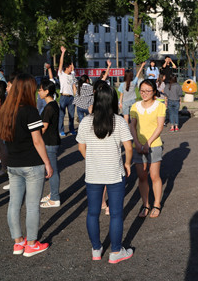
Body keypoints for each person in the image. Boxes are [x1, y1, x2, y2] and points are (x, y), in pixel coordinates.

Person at [77, 81, 134, 263]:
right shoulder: (119, 121)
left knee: (92, 213)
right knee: (116, 213)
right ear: (113, 101)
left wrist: (92, 159)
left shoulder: (86, 121)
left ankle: (96, 249)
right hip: (114, 173)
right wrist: (127, 163)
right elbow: (128, 147)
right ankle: (116, 252)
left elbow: (81, 147)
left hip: (93, 173)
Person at [0, 74, 53, 257]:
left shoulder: (5, 110)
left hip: (13, 164)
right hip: (31, 164)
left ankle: (18, 242)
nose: (36, 91)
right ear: (27, 89)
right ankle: (31, 244)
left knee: (14, 203)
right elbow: (37, 141)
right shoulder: (29, 111)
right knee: (31, 205)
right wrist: (47, 163)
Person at [129, 79, 166, 218]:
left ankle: (157, 204)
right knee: (142, 176)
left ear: (154, 91)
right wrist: (137, 143)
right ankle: (146, 204)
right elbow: (132, 125)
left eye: (148, 91)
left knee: (154, 176)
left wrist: (148, 143)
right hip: (138, 145)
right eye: (142, 91)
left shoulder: (159, 106)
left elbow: (160, 126)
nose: (144, 94)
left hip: (154, 145)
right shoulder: (135, 106)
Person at [38, 80, 62, 208]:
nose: (39, 92)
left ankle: (55, 198)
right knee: (52, 169)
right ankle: (53, 193)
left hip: (50, 142)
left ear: (47, 92)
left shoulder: (49, 107)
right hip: (52, 141)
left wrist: (33, 135)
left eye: (40, 90)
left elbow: (44, 127)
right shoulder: (53, 104)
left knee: (52, 170)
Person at [57, 46, 77, 137]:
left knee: (71, 115)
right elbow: (60, 63)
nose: (71, 68)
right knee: (61, 115)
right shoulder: (61, 74)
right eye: (70, 67)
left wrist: (76, 96)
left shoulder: (72, 75)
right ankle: (61, 130)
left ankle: (72, 129)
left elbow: (73, 86)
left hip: (71, 97)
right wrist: (63, 53)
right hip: (63, 97)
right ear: (67, 68)